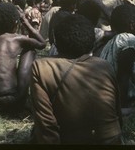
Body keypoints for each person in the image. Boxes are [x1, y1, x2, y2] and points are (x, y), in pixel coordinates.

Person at [30, 14, 123, 144]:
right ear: (92, 43)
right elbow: (117, 114)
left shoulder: (42, 67)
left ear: (56, 42)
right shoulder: (104, 66)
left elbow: (46, 126)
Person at [0, 2, 47, 117]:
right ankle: (22, 99)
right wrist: (25, 21)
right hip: (9, 101)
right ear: (16, 23)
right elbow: (42, 43)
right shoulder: (15, 39)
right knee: (30, 51)